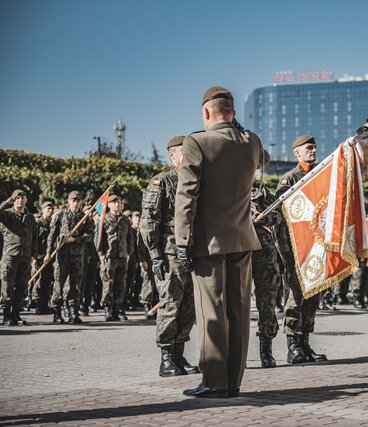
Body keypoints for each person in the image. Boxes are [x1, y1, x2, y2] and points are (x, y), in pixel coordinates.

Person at [175, 86, 267, 398]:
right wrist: (241, 131)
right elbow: (263, 159)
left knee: (212, 312)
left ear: (205, 113)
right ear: (233, 112)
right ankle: (233, 381)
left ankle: (214, 381)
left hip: (208, 242)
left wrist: (181, 239)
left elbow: (187, 195)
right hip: (243, 239)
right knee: (239, 311)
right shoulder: (251, 141)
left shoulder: (197, 141)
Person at [141, 135, 198, 378]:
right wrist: (155, 254)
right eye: (183, 152)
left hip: (192, 252)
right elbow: (148, 221)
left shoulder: (195, 179)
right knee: (170, 303)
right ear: (172, 155)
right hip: (169, 252)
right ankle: (166, 357)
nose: (188, 156)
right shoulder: (162, 181)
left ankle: (179, 352)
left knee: (188, 306)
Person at [273, 134, 327, 364]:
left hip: (315, 248)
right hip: (294, 249)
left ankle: (304, 343)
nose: (313, 151)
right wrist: (284, 253)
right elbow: (279, 217)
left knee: (312, 297)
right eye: (309, 148)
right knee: (295, 297)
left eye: (314, 148)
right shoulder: (289, 178)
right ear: (297, 153)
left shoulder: (319, 176)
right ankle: (293, 345)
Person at [46, 191, 94, 323]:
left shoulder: (84, 218)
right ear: (68, 201)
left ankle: (73, 311)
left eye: (78, 201)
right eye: (73, 201)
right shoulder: (60, 215)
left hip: (78, 256)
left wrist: (76, 239)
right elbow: (52, 235)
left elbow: (90, 235)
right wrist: (48, 252)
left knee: (75, 284)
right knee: (58, 284)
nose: (76, 203)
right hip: (62, 256)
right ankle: (57, 311)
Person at [250, 181, 281, 368]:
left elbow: (277, 213)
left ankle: (266, 349)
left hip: (264, 251)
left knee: (267, 300)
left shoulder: (260, 189)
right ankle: (235, 350)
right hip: (237, 251)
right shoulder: (225, 184)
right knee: (235, 304)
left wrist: (266, 219)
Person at [0, 189, 38, 326]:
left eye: (22, 198)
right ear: (13, 199)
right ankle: (6, 315)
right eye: (17, 198)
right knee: (7, 287)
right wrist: (6, 202)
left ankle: (16, 315)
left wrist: (34, 255)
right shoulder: (7, 214)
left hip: (25, 257)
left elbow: (35, 237)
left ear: (26, 200)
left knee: (22, 288)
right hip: (10, 256)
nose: (20, 200)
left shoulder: (30, 217)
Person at [96, 194, 132, 321]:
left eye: (119, 202)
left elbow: (130, 238)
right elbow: (99, 239)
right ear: (109, 205)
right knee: (108, 282)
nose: (117, 204)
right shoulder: (104, 219)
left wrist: (129, 253)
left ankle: (118, 307)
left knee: (121, 282)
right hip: (109, 256)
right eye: (114, 202)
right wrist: (101, 255)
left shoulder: (125, 220)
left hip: (122, 255)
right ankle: (108, 307)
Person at [31, 201, 55, 314]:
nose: (50, 211)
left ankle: (45, 304)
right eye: (48, 209)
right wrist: (33, 257)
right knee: (38, 281)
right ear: (43, 209)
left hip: (50, 255)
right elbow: (33, 240)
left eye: (51, 209)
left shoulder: (53, 224)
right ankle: (37, 304)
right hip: (39, 255)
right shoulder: (38, 223)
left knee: (47, 281)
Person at [350, 213, 368, 309]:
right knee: (357, 280)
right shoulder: (359, 231)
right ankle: (356, 299)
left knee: (366, 280)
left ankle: (362, 298)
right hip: (359, 260)